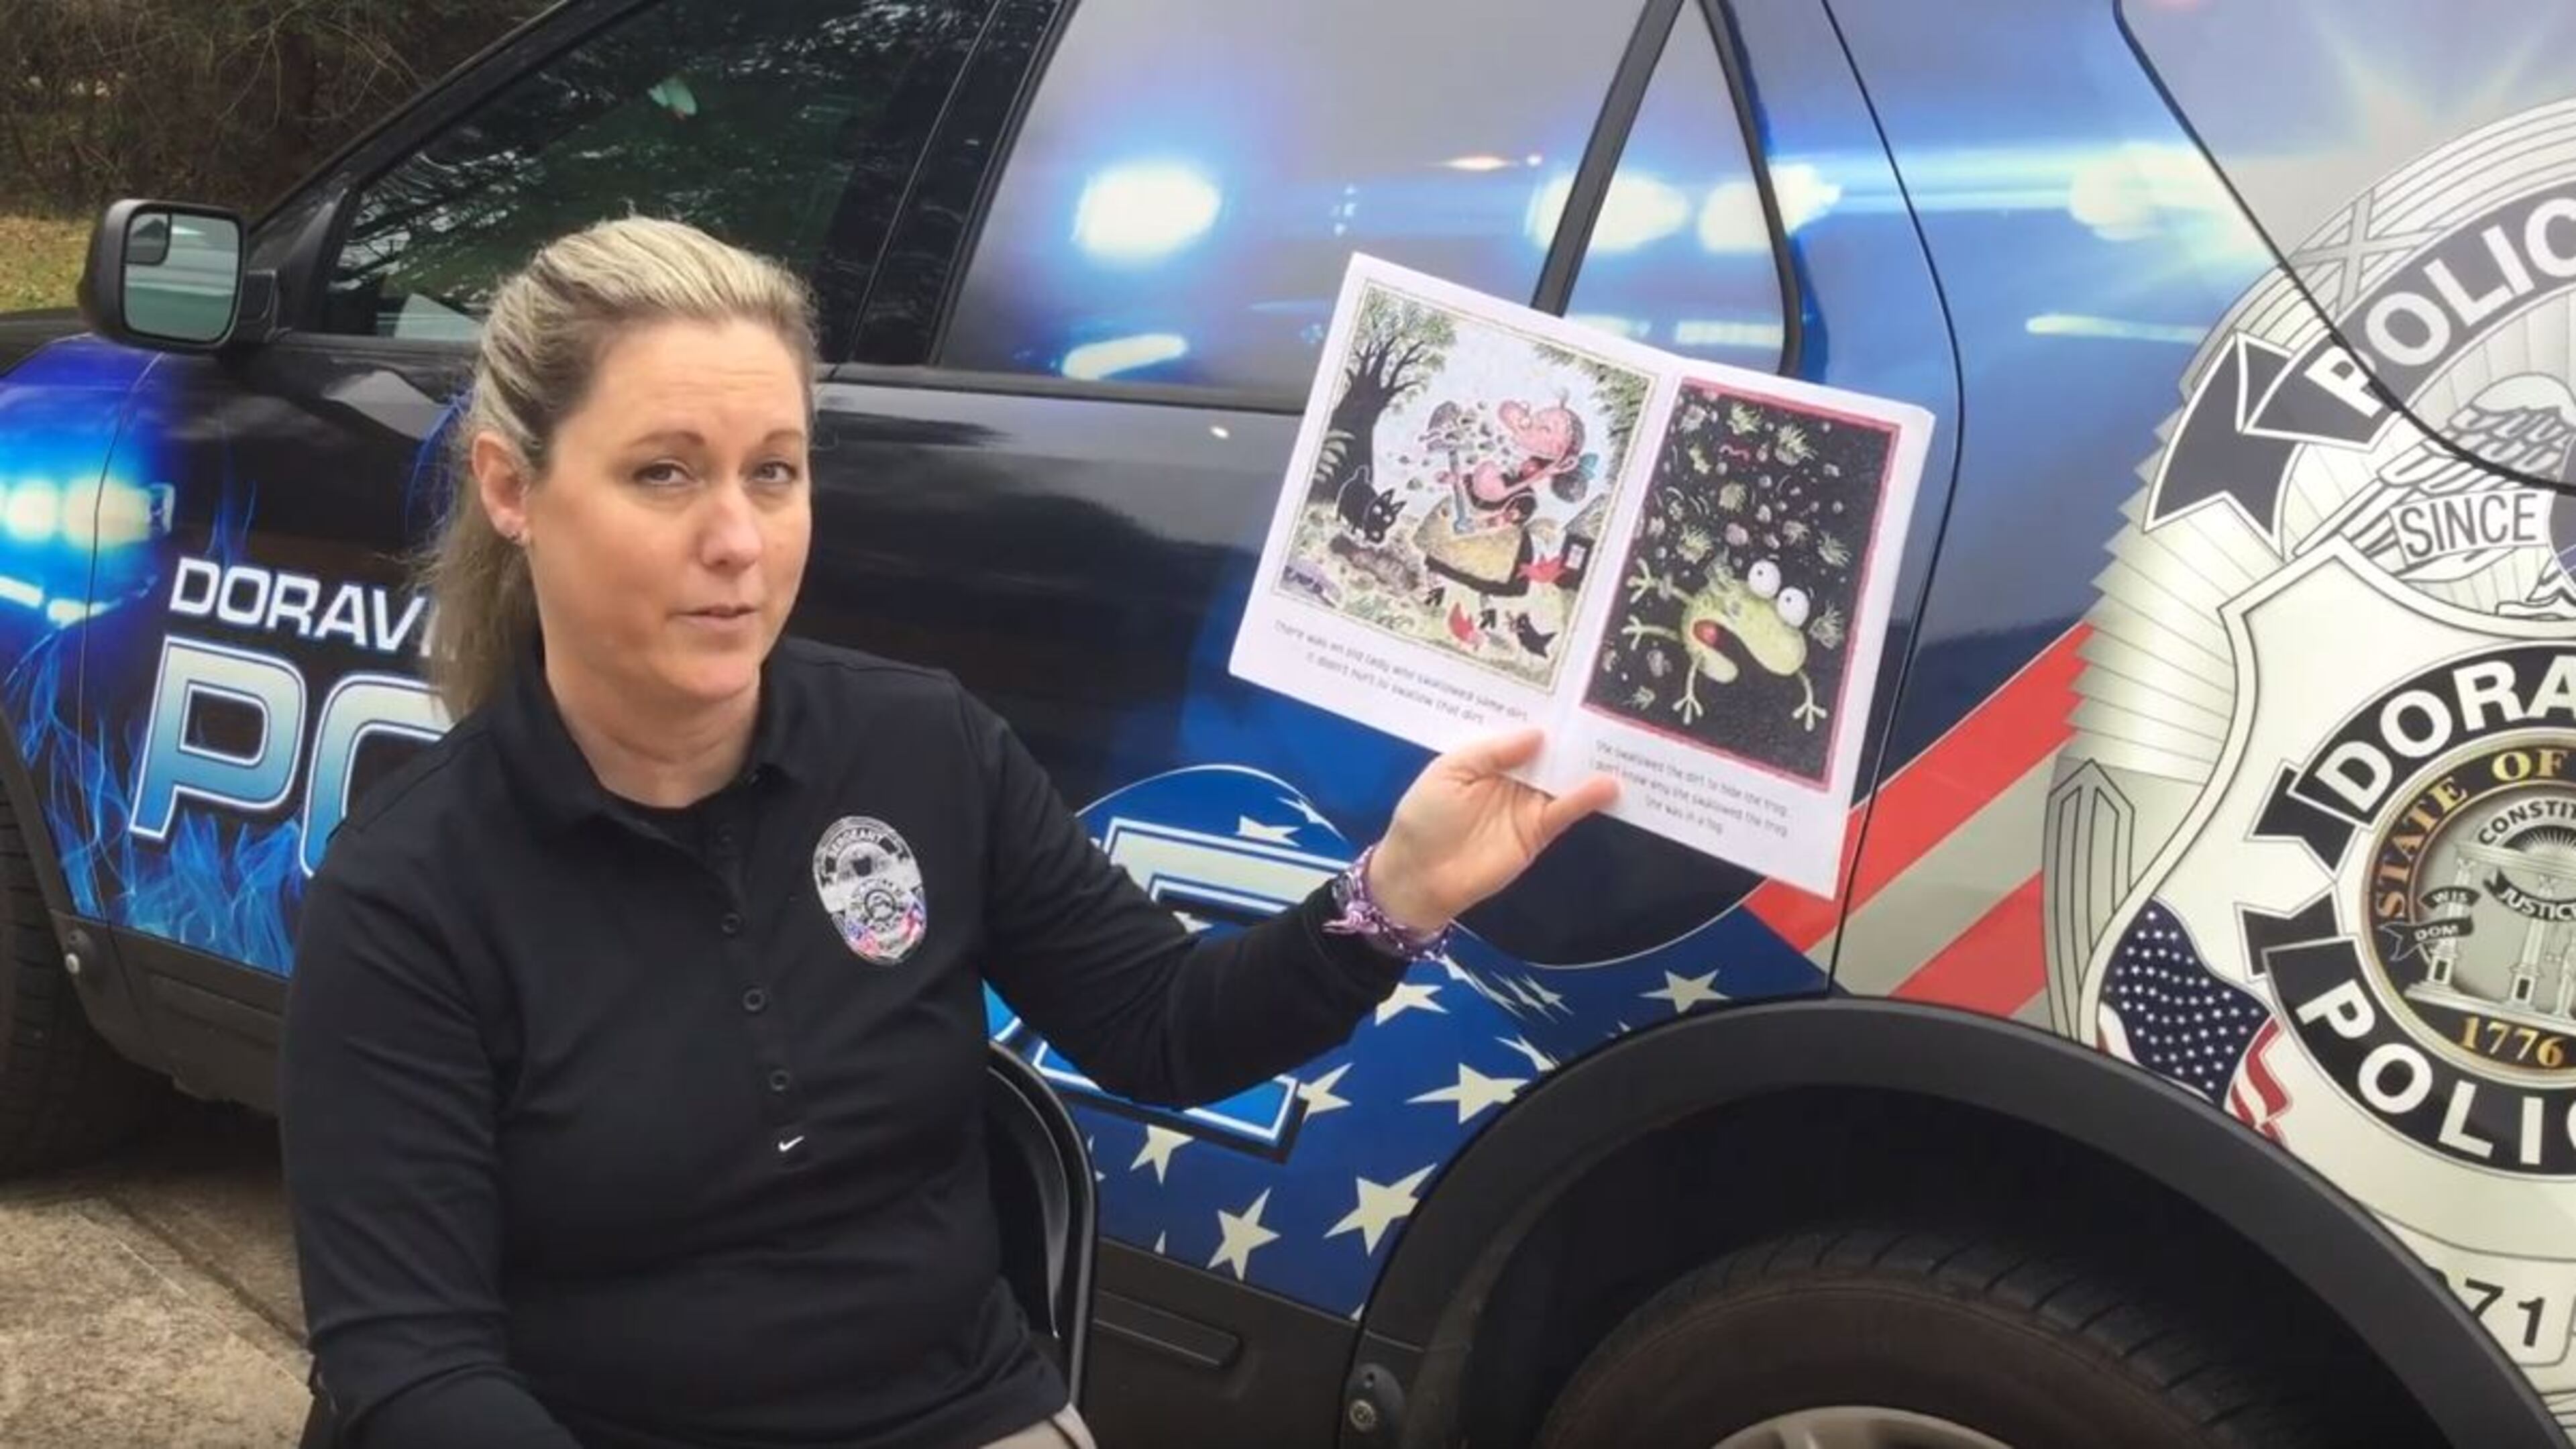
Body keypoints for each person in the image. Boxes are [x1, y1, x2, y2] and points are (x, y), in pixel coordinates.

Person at [277, 216, 1617, 1449]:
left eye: (776, 472)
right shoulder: (412, 894)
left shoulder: (923, 747)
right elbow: (417, 1367)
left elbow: (1165, 1021)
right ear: (512, 487)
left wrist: (1393, 896)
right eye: (664, 473)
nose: (739, 539)